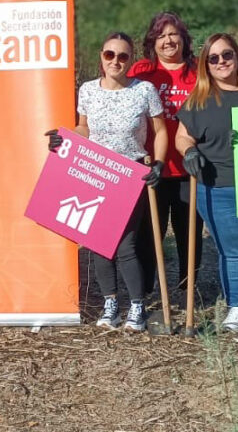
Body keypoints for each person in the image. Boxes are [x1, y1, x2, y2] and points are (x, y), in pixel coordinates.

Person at [46, 33, 166, 332]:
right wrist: (66, 139)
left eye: (123, 56)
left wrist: (159, 162)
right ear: (101, 56)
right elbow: (84, 127)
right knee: (99, 244)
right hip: (96, 172)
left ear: (131, 59)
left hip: (130, 173)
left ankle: (137, 306)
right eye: (109, 54)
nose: (115, 61)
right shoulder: (87, 90)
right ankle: (110, 303)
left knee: (125, 244)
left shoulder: (145, 91)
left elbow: (160, 130)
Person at [175, 33, 238, 332]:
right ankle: (237, 307)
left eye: (226, 55)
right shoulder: (199, 99)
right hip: (217, 187)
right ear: (205, 63)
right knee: (235, 251)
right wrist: (188, 151)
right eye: (213, 58)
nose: (221, 62)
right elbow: (182, 135)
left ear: (237, 56)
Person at [128, 12, 205, 293]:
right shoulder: (141, 72)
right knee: (149, 236)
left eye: (173, 34)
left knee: (189, 235)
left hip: (189, 169)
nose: (168, 41)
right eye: (161, 36)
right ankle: (147, 294)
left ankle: (188, 293)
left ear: (184, 39)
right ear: (153, 42)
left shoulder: (200, 71)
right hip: (153, 168)